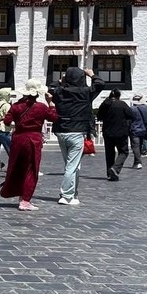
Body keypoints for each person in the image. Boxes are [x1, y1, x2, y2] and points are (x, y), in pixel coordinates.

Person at [0, 79, 58, 211]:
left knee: (17, 167)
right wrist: (51, 103)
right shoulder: (41, 107)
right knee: (31, 169)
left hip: (18, 138)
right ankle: (25, 200)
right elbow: (54, 117)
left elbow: (7, 121)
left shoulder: (16, 106)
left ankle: (18, 193)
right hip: (33, 139)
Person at [50, 67, 104, 205]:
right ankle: (67, 195)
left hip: (61, 130)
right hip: (77, 131)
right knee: (72, 165)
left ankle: (73, 193)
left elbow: (51, 88)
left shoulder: (60, 92)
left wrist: (60, 80)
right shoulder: (85, 92)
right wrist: (92, 74)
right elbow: (100, 84)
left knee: (72, 164)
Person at [97, 89, 134, 181]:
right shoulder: (122, 104)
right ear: (118, 96)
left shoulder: (105, 104)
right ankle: (115, 168)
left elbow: (99, 116)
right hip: (121, 132)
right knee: (124, 151)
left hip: (107, 132)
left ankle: (109, 174)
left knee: (109, 153)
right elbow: (131, 115)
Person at [128, 94, 147, 169]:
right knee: (140, 146)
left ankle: (138, 162)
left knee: (135, 146)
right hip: (144, 129)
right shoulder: (146, 108)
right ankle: (136, 162)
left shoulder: (131, 109)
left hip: (134, 129)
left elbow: (128, 120)